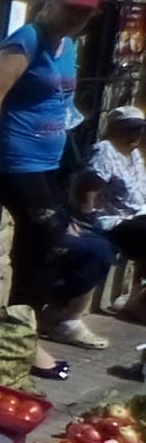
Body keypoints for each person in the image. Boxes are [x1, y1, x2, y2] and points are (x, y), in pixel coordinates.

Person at [0, 0, 116, 372]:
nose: (76, 19)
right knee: (51, 243)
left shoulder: (68, 46)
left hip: (49, 164)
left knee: (39, 249)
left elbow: (62, 105)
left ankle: (22, 334)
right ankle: (26, 339)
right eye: (71, 9)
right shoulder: (27, 40)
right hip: (16, 161)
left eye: (85, 13)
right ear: (52, 1)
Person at [74, 104, 146, 320]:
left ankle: (137, 299)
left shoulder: (133, 155)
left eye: (140, 129)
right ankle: (138, 304)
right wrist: (85, 222)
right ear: (114, 129)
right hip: (113, 221)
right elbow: (87, 191)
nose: (136, 134)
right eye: (130, 128)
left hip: (137, 216)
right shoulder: (105, 151)